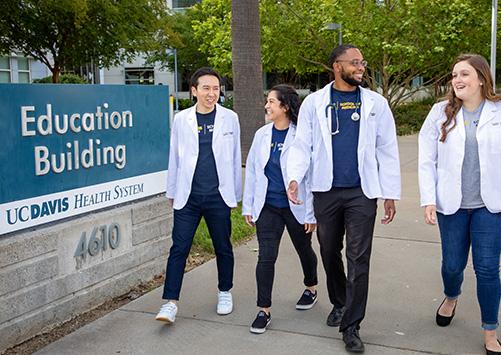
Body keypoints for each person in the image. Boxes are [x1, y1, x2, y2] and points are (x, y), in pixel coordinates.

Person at [286, 44, 401, 353]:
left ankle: (351, 325)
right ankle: (339, 301)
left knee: (359, 257)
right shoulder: (314, 103)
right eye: (354, 62)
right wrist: (294, 178)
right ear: (337, 66)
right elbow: (301, 145)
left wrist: (389, 193)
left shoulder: (377, 103)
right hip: (325, 190)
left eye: (362, 62)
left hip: (362, 192)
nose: (361, 67)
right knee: (327, 249)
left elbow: (387, 150)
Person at [418, 54, 501, 355]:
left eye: (464, 74)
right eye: (454, 75)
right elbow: (426, 160)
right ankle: (451, 296)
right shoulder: (440, 112)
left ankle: (490, 332)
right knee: (452, 265)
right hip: (451, 205)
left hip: (490, 207)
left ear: (481, 78)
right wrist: (428, 199)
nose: (457, 80)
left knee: (488, 269)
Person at [156, 67, 242, 323]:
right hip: (188, 197)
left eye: (216, 88)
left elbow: (235, 158)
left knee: (223, 247)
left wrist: (234, 195)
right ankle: (170, 303)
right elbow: (175, 157)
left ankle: (224, 291)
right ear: (193, 91)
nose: (212, 93)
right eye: (206, 88)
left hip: (218, 196)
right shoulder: (181, 119)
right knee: (179, 248)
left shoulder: (230, 118)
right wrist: (172, 190)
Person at [242, 84, 318, 334]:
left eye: (272, 101)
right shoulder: (262, 135)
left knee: (304, 250)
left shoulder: (301, 136)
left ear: (285, 107)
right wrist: (249, 207)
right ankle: (263, 310)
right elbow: (253, 171)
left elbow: (309, 177)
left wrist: (311, 214)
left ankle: (311, 287)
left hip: (296, 208)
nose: (267, 105)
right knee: (266, 257)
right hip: (268, 207)